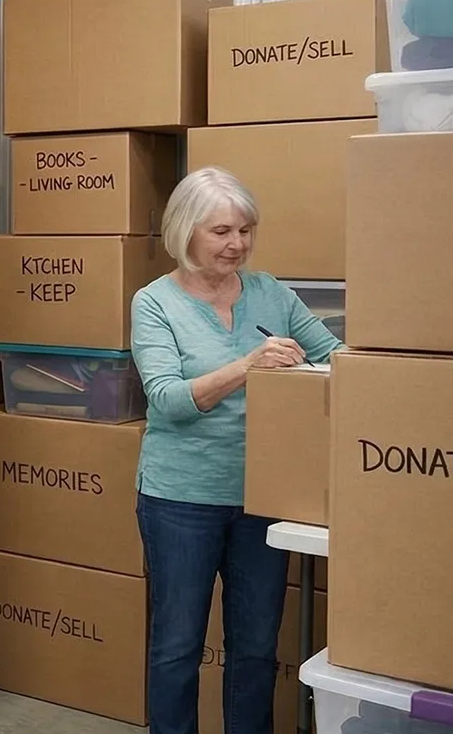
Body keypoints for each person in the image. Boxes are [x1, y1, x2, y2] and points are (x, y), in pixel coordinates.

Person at [128, 167, 344, 734]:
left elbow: (338, 357)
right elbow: (169, 400)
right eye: (222, 231)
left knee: (255, 647)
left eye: (246, 230)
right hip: (180, 497)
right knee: (177, 646)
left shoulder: (271, 292)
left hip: (264, 497)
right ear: (185, 231)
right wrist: (248, 366)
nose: (237, 244)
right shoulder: (154, 304)